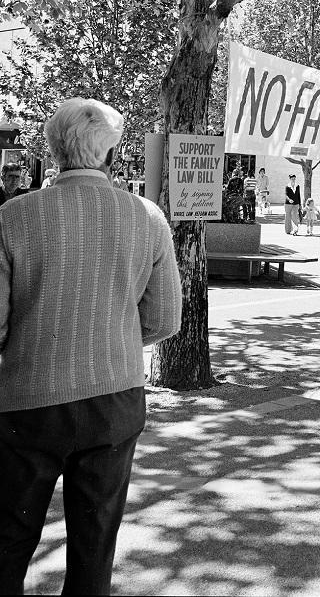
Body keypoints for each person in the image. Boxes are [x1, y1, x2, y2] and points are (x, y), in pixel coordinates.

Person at [0, 98, 181, 595]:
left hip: (26, 405)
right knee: (95, 544)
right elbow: (164, 319)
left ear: (54, 150)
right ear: (111, 154)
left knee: (9, 539)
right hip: (114, 401)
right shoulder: (147, 217)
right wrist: (110, 335)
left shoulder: (13, 217)